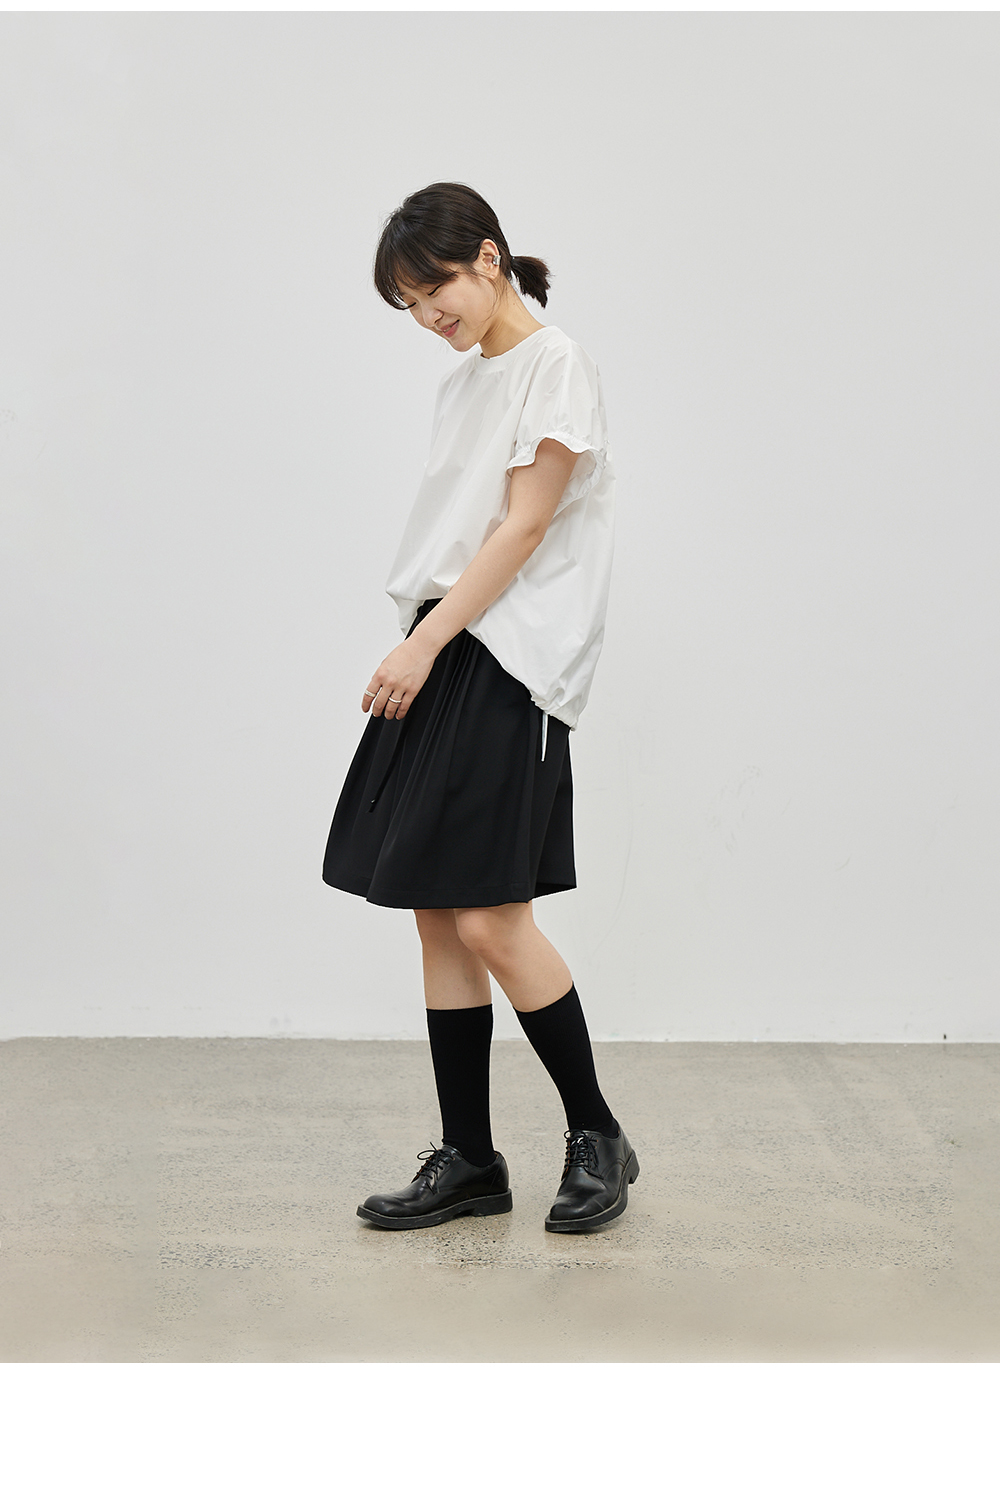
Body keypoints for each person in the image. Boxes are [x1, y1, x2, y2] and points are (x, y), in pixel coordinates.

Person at [322, 181, 638, 1234]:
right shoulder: (464, 384)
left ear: (490, 258)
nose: (428, 316)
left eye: (436, 290)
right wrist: (422, 634)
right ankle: (469, 1158)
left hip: (509, 654)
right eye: (409, 304)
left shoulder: (558, 365)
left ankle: (597, 1134)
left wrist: (423, 644)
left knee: (491, 916)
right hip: (446, 638)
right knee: (435, 908)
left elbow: (523, 527)